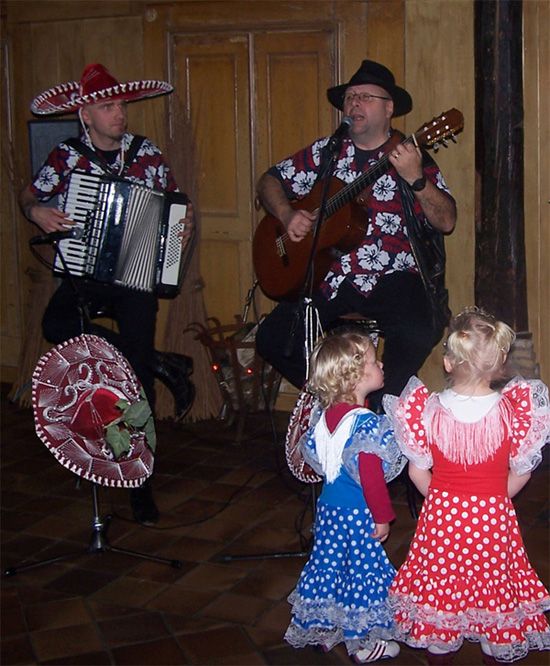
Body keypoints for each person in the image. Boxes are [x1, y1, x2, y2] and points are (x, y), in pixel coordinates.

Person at [19, 63, 196, 524]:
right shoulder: (67, 156)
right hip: (85, 273)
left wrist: (177, 235)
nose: (119, 114)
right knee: (55, 325)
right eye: (108, 106)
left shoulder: (147, 154)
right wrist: (38, 211)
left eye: (121, 105)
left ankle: (139, 480)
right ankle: (157, 360)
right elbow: (29, 195)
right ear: (86, 116)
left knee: (132, 376)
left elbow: (177, 209)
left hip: (135, 280)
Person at [255, 60, 457, 412]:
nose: (354, 104)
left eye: (366, 97)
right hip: (330, 275)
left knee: (418, 331)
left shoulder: (412, 155)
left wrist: (416, 179)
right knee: (272, 339)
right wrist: (287, 214)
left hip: (393, 275)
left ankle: (378, 407)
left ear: (389, 108)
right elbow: (269, 181)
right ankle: (334, 402)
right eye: (350, 97)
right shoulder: (326, 154)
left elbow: (447, 221)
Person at [383, 307, 550, 665]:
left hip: (443, 517)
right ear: (500, 364)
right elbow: (523, 470)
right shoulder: (514, 410)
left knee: (442, 583)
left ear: (448, 363)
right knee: (493, 579)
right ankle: (495, 643)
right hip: (492, 516)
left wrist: (443, 500)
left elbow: (416, 471)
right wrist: (493, 500)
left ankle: (441, 644)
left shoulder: (425, 409)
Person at [284, 331, 405, 663]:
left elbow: (325, 465)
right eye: (372, 360)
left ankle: (326, 627)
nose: (380, 363)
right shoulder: (366, 424)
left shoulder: (324, 418)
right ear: (355, 376)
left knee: (331, 565)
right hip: (357, 514)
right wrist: (382, 516)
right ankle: (363, 642)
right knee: (361, 572)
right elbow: (370, 477)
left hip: (329, 511)